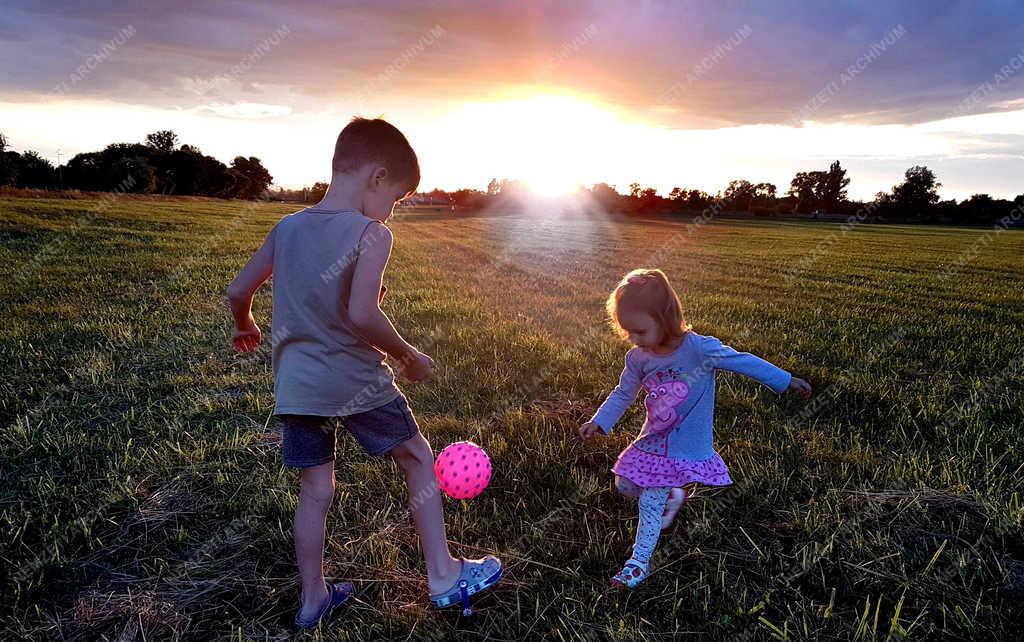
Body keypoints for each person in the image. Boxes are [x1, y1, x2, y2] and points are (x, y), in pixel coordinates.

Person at [226, 117, 501, 629]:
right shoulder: (372, 233)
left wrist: (246, 326)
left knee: (317, 491)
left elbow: (239, 292)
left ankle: (313, 599)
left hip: (296, 387)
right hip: (353, 379)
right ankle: (443, 576)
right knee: (417, 455)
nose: (391, 211)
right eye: (395, 198)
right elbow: (360, 316)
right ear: (377, 177)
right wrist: (409, 355)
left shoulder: (287, 228)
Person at [578, 268, 812, 588]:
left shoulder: (699, 349)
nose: (633, 339)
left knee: (649, 499)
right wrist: (600, 421)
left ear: (666, 317)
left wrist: (785, 380)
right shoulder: (638, 358)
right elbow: (624, 393)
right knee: (624, 484)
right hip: (653, 440)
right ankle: (675, 495)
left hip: (685, 446)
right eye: (627, 331)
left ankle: (638, 563)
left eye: (640, 331)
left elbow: (743, 361)